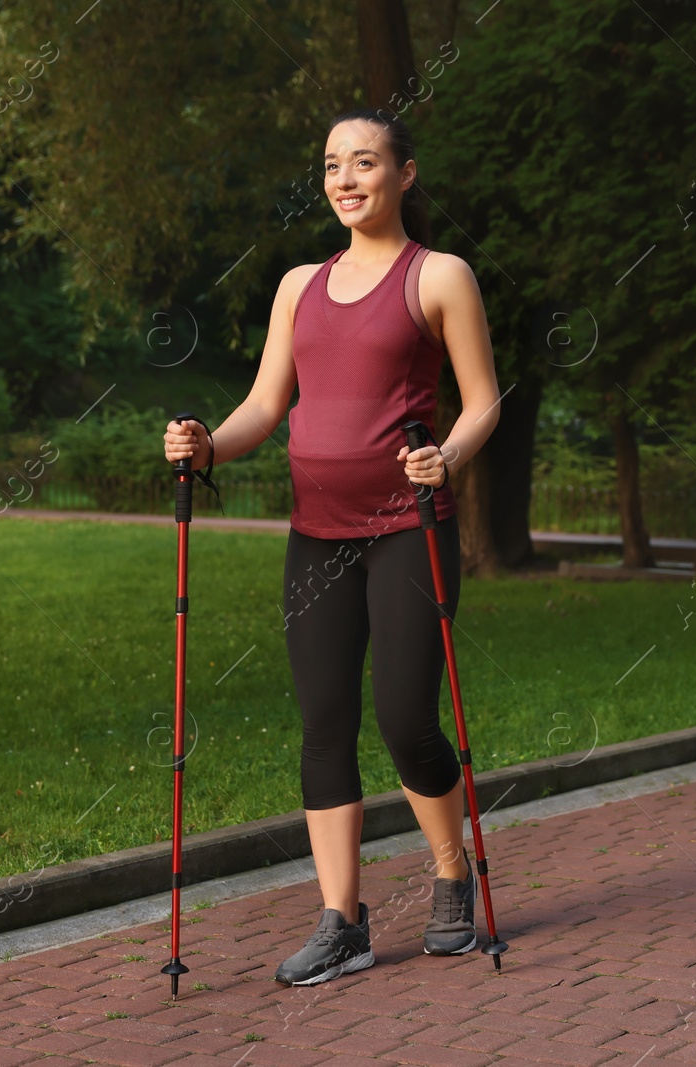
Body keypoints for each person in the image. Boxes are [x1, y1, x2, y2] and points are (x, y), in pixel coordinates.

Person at [161, 108, 501, 986]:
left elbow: (482, 401)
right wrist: (206, 444)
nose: (345, 179)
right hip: (317, 534)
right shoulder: (297, 285)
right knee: (323, 724)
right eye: (331, 166)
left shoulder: (440, 275)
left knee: (403, 715)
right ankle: (341, 919)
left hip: (409, 529)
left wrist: (446, 457)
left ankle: (450, 870)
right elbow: (266, 405)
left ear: (405, 174)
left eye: (364, 163)